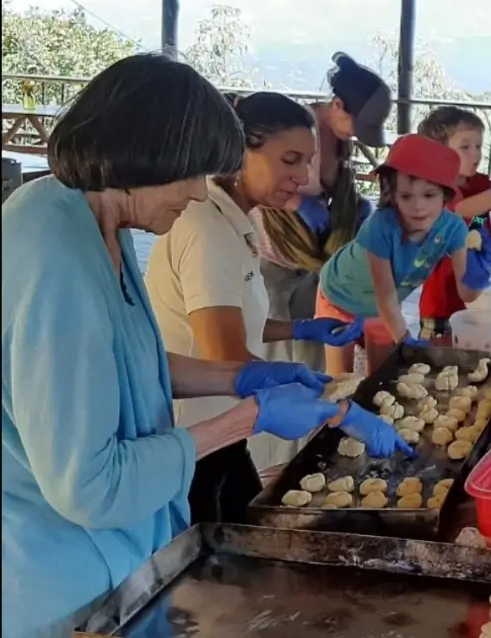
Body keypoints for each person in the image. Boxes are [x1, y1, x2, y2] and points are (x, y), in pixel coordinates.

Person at [0, 54, 410, 638]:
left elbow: (116, 364)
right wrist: (248, 418)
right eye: (189, 173)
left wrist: (237, 379)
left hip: (123, 553)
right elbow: (93, 486)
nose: (198, 194)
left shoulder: (90, 221)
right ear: (144, 151)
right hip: (67, 583)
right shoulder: (52, 255)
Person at [144, 92, 370, 522]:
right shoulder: (205, 229)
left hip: (225, 426)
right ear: (239, 151)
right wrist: (328, 402)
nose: (303, 177)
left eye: (307, 161)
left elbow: (237, 319)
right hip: (193, 435)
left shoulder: (241, 218)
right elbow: (225, 355)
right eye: (289, 160)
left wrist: (303, 328)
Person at [251, 53, 391, 373]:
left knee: (315, 335)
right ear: (338, 105)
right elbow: (261, 179)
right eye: (356, 125)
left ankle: (316, 396)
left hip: (315, 256)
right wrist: (297, 205)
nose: (356, 133)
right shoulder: (299, 125)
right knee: (281, 340)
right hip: (280, 253)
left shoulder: (342, 140)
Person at [317, 134, 491, 375]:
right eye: (406, 196)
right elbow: (386, 296)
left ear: (446, 195)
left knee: (381, 376)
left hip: (381, 309)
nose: (418, 206)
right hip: (339, 296)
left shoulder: (454, 229)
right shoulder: (380, 226)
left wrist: (478, 275)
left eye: (429, 195)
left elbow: (467, 294)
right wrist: (405, 339)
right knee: (339, 379)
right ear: (392, 194)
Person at [415, 107, 491, 340]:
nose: (475, 154)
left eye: (479, 146)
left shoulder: (479, 183)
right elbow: (459, 209)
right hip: (440, 303)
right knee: (435, 360)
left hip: (478, 296)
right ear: (439, 152)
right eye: (465, 147)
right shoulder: (433, 189)